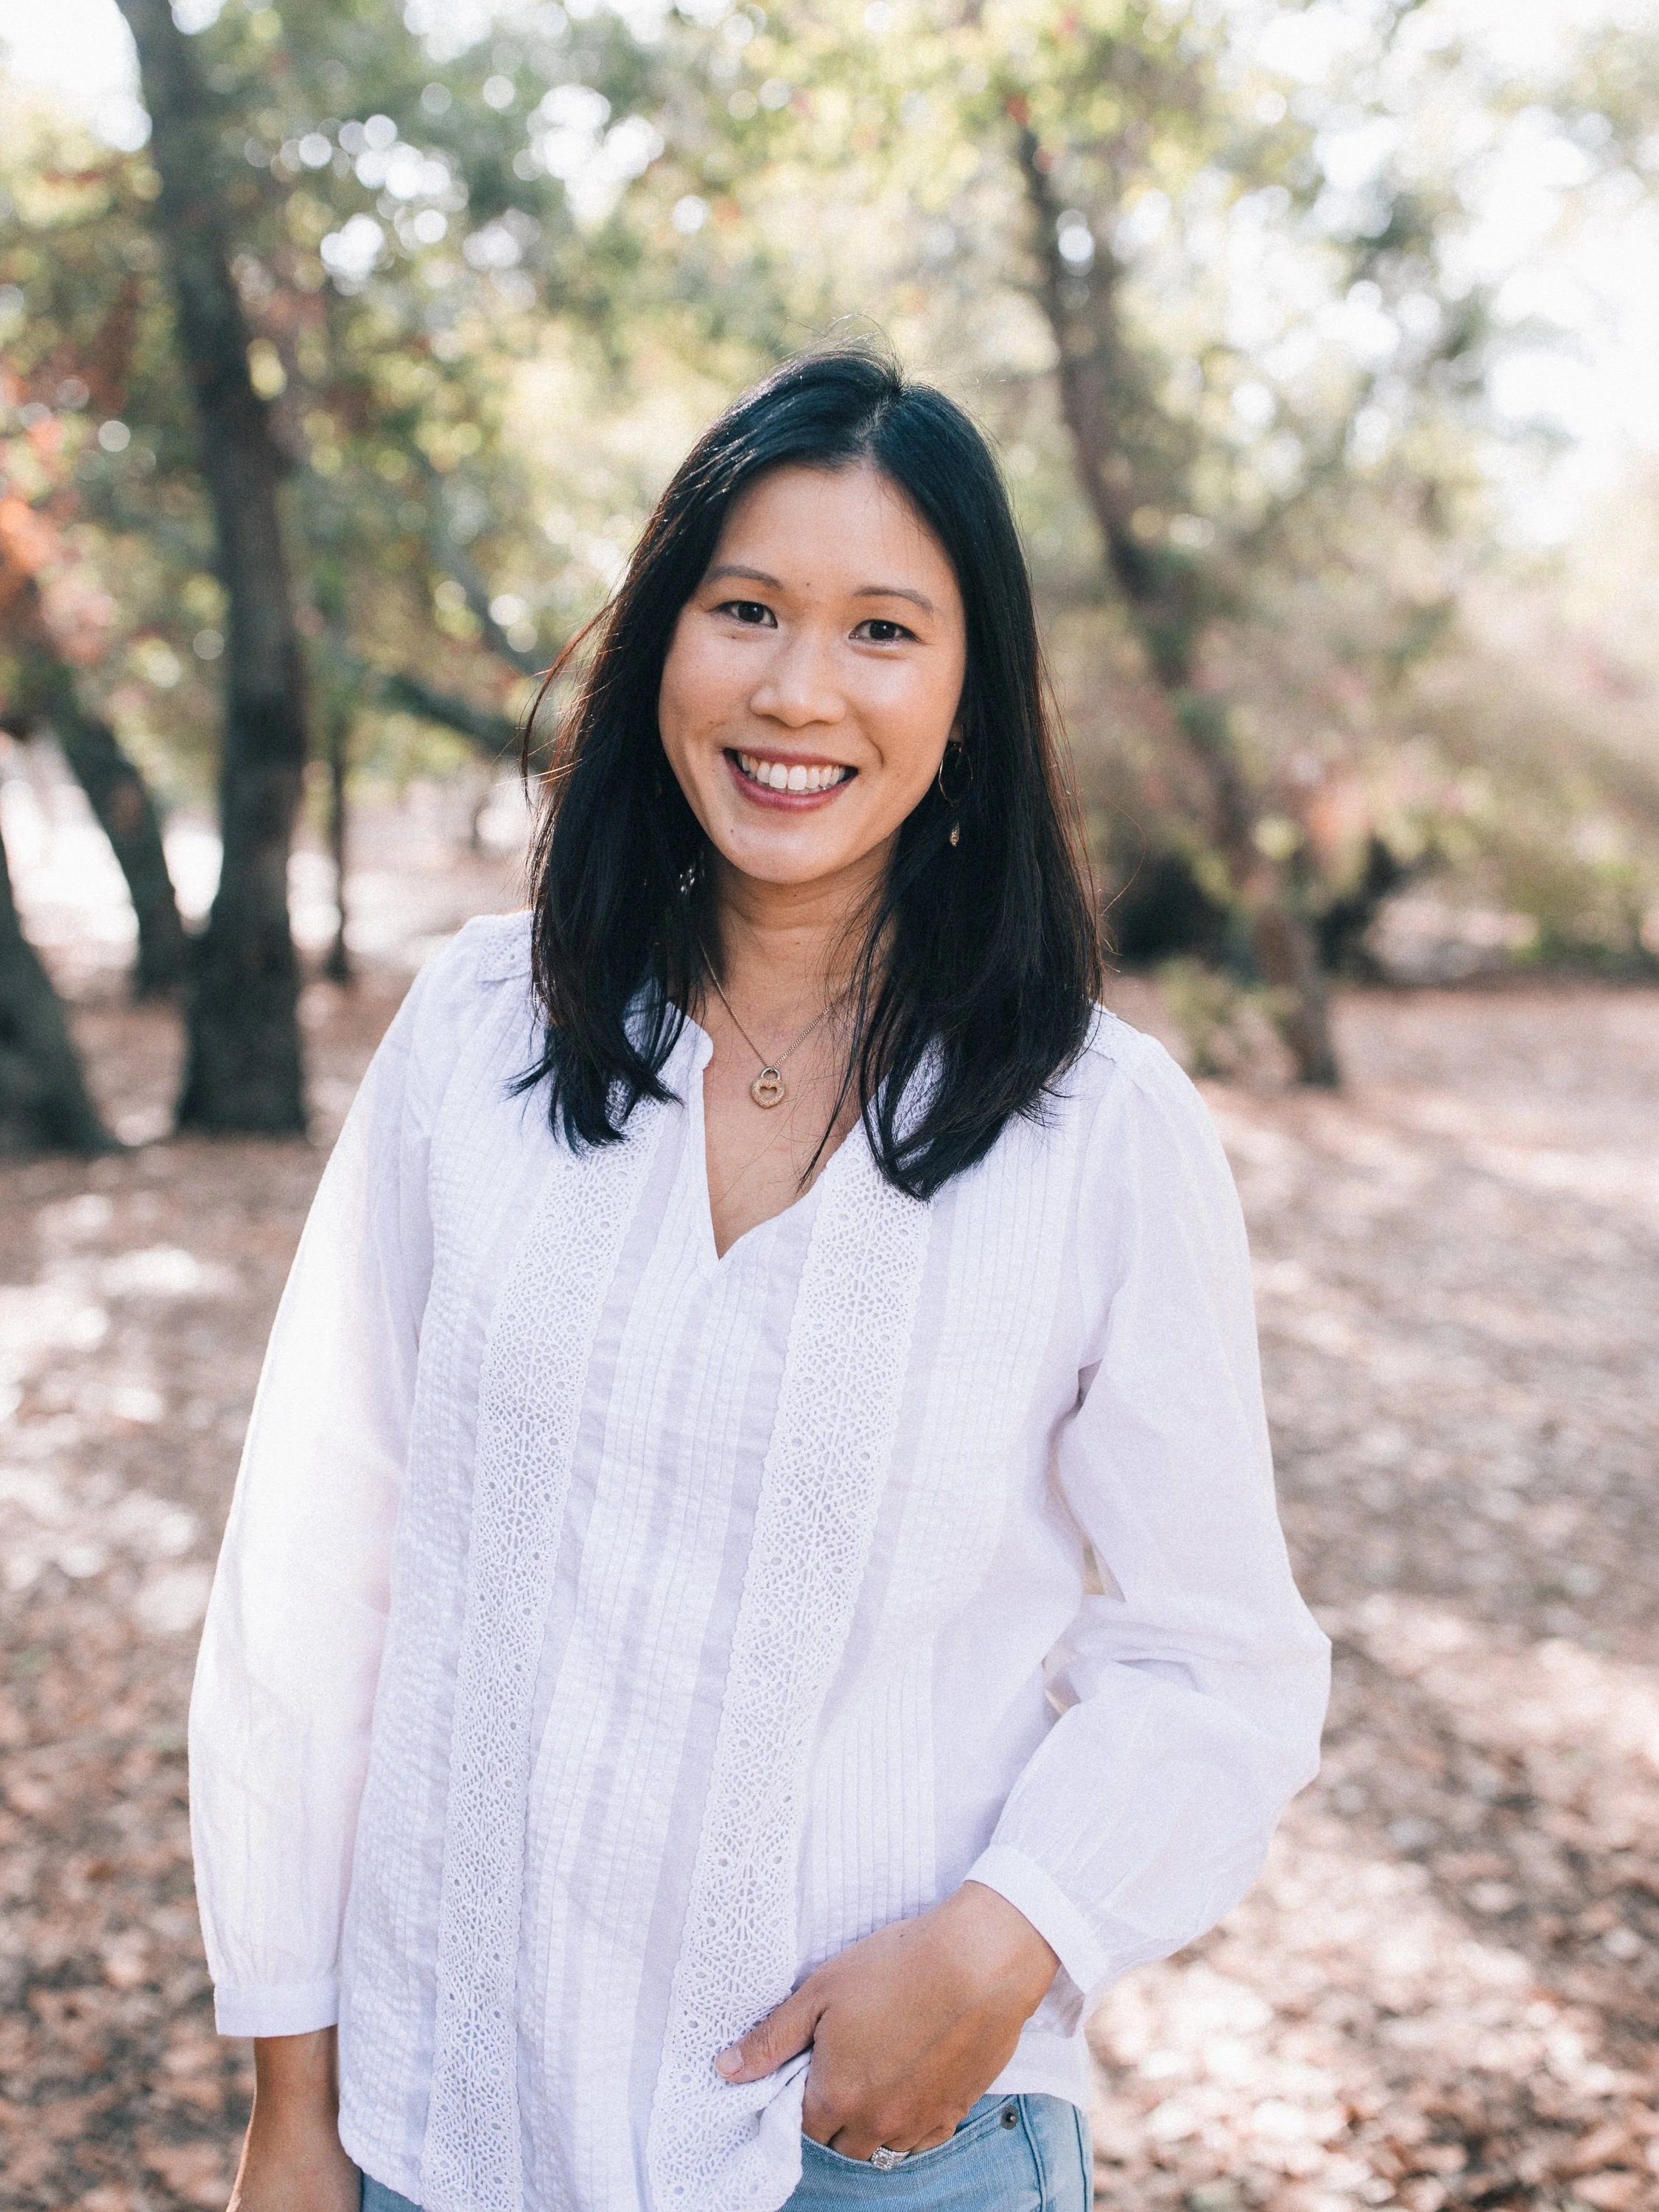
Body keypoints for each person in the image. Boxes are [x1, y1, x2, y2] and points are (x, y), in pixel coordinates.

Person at [190, 350, 1330, 2212]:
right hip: (441, 2124)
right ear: (662, 645)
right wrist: (292, 2104)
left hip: (876, 2148)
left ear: (968, 698)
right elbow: (311, 1583)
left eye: (884, 628)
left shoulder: (1095, 1130)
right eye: (746, 610)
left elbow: (1221, 1657)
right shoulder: (474, 1037)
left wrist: (1002, 1941)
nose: (798, 689)